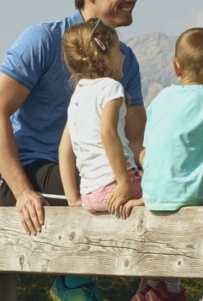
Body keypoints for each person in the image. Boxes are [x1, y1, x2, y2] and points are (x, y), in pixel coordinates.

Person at [0, 0, 192, 301]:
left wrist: (166, 174)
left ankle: (149, 296)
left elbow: (136, 139)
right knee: (109, 189)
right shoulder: (42, 41)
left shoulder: (124, 59)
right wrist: (22, 191)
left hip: (95, 172)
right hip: (30, 174)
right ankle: (73, 283)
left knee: (166, 186)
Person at [139, 27, 203, 211]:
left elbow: (145, 153)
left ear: (175, 67)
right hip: (191, 196)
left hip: (152, 197)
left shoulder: (159, 99)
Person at [58, 19, 141, 218]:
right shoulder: (111, 88)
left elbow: (64, 149)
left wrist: (73, 198)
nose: (123, 57)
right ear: (103, 56)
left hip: (90, 194)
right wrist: (123, 182)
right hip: (115, 186)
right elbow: (108, 133)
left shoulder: (78, 95)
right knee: (167, 186)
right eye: (118, 50)